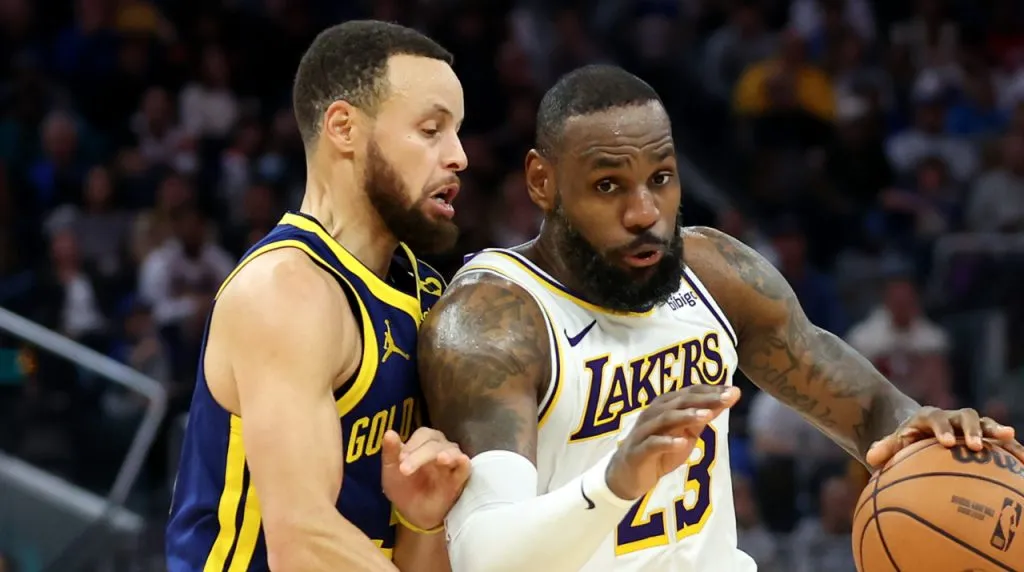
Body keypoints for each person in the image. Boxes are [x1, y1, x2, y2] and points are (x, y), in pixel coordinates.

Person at [417, 64, 1024, 572]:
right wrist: (615, 482)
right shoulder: (493, 322)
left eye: (661, 179)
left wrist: (926, 429)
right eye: (608, 186)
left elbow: (870, 413)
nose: (644, 213)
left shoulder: (714, 272)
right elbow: (486, 556)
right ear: (541, 181)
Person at [166, 21, 470, 571]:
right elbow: (303, 542)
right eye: (432, 130)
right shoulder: (288, 291)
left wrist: (422, 521)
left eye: (458, 132)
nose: (459, 157)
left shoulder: (429, 295)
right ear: (343, 128)